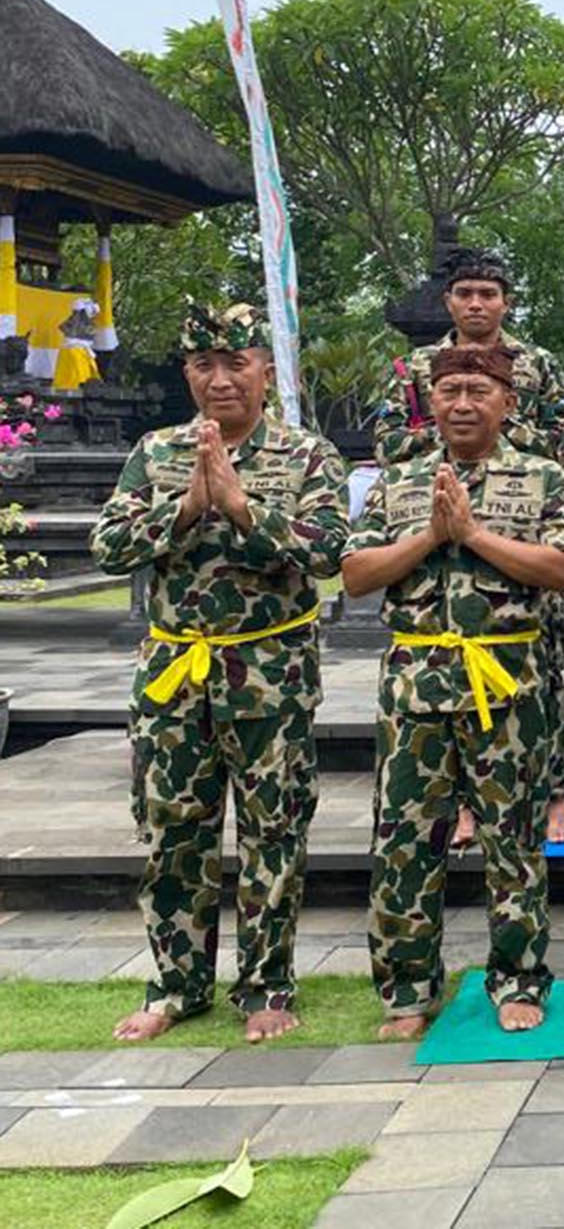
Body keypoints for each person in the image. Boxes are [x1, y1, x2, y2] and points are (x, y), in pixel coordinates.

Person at [89, 302, 349, 1044]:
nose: (221, 379)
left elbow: (330, 549)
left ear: (265, 369)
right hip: (176, 673)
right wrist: (186, 506)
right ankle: (177, 983)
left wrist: (240, 508)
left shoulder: (304, 455)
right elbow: (109, 543)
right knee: (174, 832)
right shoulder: (158, 450)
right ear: (188, 374)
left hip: (269, 673)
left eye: (237, 362)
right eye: (205, 365)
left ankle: (267, 984)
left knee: (274, 832)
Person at [343, 344, 564, 1038]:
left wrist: (473, 533)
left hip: (507, 686)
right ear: (431, 400)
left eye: (479, 389)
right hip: (417, 686)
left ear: (507, 400)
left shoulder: (541, 478)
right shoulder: (395, 483)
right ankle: (409, 988)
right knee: (404, 841)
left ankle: (517, 979)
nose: (463, 403)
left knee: (513, 843)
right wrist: (430, 535)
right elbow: (357, 572)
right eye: (449, 390)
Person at [366, 247, 564, 847]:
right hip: (430, 511)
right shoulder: (415, 367)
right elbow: (390, 443)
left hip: (521, 519)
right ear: (449, 301)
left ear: (505, 302)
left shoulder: (536, 363)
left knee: (543, 675)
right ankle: (463, 809)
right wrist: (451, 445)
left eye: (488, 295)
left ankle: (554, 795)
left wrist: (497, 432)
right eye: (465, 294)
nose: (477, 304)